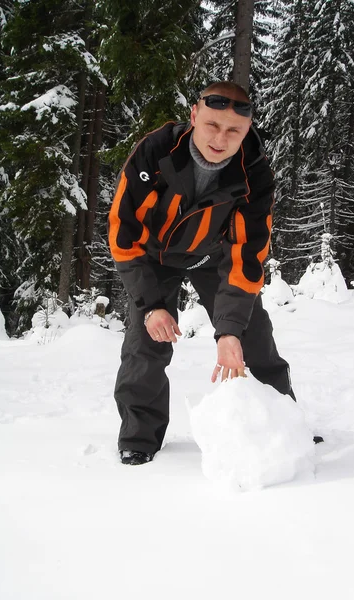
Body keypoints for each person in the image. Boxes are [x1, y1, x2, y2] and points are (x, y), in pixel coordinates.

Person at [108, 81, 321, 466]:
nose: (220, 139)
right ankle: (139, 439)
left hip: (212, 257)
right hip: (155, 259)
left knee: (253, 337)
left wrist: (229, 330)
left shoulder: (253, 172)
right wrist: (151, 304)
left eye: (233, 131)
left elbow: (247, 254)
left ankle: (285, 426)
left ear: (247, 129)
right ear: (193, 116)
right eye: (212, 125)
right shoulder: (155, 152)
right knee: (145, 343)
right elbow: (124, 233)